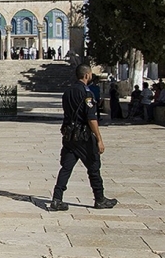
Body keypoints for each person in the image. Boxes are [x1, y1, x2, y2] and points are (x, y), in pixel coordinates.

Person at [50, 64, 117, 211]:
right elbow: (91, 118)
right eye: (91, 74)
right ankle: (99, 199)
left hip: (69, 136)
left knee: (66, 168)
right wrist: (99, 138)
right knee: (93, 167)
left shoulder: (67, 92)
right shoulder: (87, 93)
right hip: (84, 137)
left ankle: (57, 198)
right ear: (87, 75)